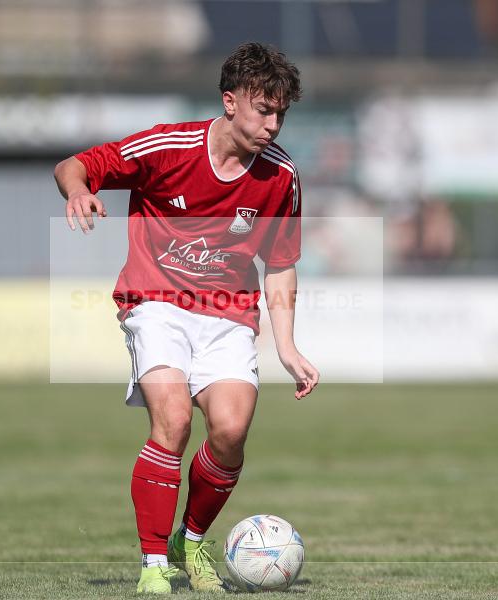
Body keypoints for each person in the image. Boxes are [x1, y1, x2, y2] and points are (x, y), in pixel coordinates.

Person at [53, 42, 319, 594]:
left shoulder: (281, 177)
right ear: (229, 102)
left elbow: (281, 265)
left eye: (281, 114)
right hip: (156, 304)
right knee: (172, 421)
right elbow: (74, 165)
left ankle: (190, 540)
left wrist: (288, 346)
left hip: (227, 315)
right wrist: (79, 191)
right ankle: (154, 565)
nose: (273, 124)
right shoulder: (168, 147)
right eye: (263, 110)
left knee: (230, 429)